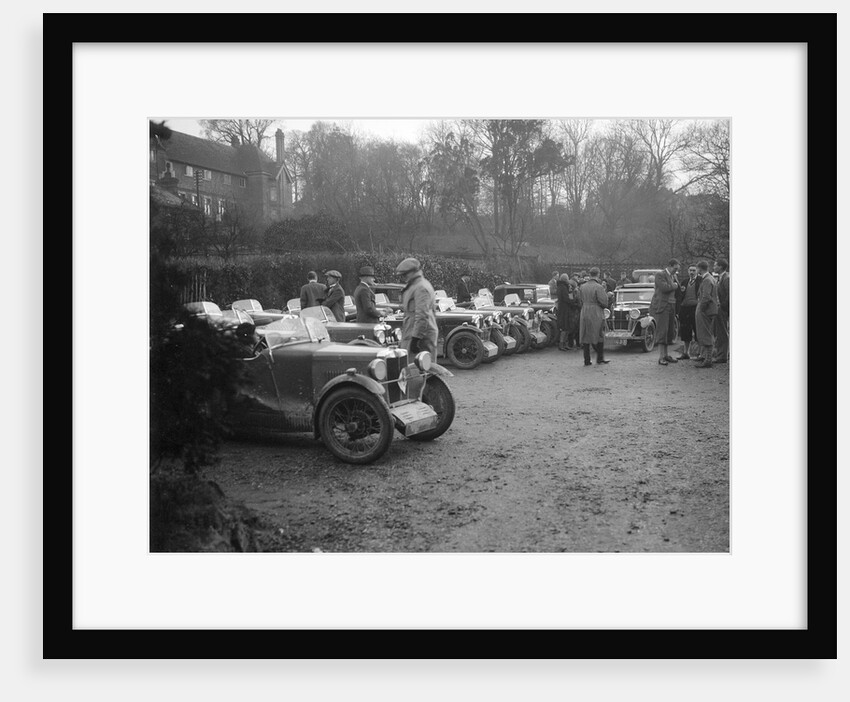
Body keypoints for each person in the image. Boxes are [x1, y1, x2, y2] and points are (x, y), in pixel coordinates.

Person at [395, 257, 438, 358]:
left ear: (414, 272)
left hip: (420, 337)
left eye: (405, 274)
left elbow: (422, 315)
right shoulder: (418, 285)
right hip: (415, 332)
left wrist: (416, 338)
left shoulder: (420, 288)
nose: (404, 278)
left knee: (420, 366)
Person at [649, 258, 681, 366]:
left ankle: (666, 355)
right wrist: (674, 286)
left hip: (671, 305)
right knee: (662, 331)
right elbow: (664, 288)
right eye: (675, 268)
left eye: (677, 269)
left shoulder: (673, 276)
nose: (676, 271)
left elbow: (677, 288)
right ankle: (661, 357)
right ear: (670, 266)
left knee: (669, 331)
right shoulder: (660, 275)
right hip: (662, 306)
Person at [579, 267, 610, 366]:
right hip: (596, 311)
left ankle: (587, 360)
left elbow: (580, 299)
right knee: (599, 334)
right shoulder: (599, 287)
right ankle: (600, 358)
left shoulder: (582, 287)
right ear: (598, 274)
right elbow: (604, 302)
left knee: (585, 335)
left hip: (584, 310)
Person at [694, 260, 719, 368]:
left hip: (706, 310)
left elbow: (706, 296)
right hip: (709, 309)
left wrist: (701, 308)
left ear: (699, 268)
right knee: (707, 332)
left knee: (706, 333)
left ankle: (708, 359)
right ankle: (706, 357)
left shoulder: (707, 280)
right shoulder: (710, 278)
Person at [675, 264, 700, 360]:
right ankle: (686, 352)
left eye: (694, 270)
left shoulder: (701, 281)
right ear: (688, 271)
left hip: (696, 308)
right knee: (685, 331)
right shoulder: (684, 282)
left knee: (697, 330)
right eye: (690, 270)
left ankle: (699, 353)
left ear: (697, 271)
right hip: (685, 309)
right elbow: (679, 295)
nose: (692, 272)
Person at [712, 259, 730, 364]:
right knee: (719, 331)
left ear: (721, 267)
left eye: (715, 265)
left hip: (723, 309)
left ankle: (723, 355)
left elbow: (729, 294)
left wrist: (723, 306)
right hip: (720, 308)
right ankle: (720, 354)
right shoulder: (721, 278)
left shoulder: (726, 278)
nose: (714, 267)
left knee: (722, 331)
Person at [555, 273, 571, 351]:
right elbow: (566, 298)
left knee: (565, 327)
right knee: (564, 327)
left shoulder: (560, 286)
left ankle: (563, 343)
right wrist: (573, 301)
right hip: (564, 309)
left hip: (562, 308)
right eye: (567, 279)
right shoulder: (563, 287)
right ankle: (562, 344)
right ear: (565, 279)